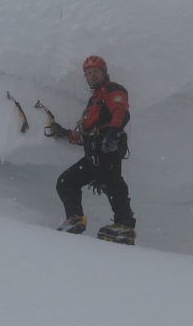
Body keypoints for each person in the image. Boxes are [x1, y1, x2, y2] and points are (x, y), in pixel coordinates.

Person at [47, 55, 138, 245]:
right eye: (89, 73)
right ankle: (75, 220)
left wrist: (112, 135)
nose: (92, 75)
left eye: (96, 71)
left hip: (106, 144)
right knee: (66, 182)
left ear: (104, 73)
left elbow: (121, 111)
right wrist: (64, 133)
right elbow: (86, 136)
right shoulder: (93, 101)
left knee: (110, 181)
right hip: (94, 149)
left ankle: (125, 226)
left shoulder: (112, 90)